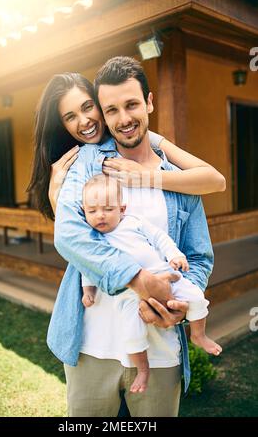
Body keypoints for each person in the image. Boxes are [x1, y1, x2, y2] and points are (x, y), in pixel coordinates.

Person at [28, 58, 226, 417]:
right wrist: (140, 280)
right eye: (111, 110)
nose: (123, 118)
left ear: (149, 102)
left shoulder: (181, 180)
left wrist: (178, 308)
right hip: (91, 346)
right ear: (104, 115)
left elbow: (198, 257)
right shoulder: (89, 162)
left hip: (161, 349)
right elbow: (70, 235)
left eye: (132, 105)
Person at [81, 173, 222, 394]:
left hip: (164, 276)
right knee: (132, 333)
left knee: (196, 296)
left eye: (108, 209)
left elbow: (159, 238)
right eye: (92, 211)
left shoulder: (133, 222)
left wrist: (174, 255)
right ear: (84, 212)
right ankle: (143, 369)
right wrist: (88, 290)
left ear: (122, 209)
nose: (100, 216)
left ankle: (198, 334)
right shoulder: (93, 237)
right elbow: (88, 265)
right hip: (126, 294)